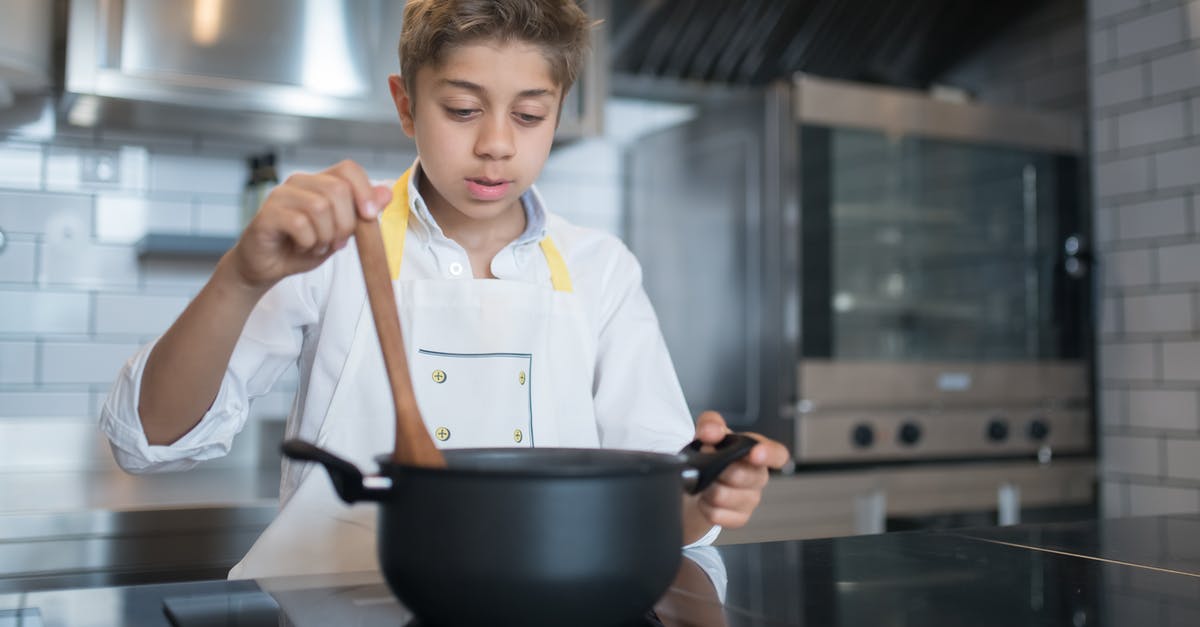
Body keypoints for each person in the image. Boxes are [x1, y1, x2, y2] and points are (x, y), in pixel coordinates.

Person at [100, 0, 790, 579]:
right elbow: (149, 440)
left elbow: (660, 504)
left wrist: (711, 494)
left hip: (541, 605)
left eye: (528, 115)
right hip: (332, 605)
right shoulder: (335, 246)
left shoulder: (600, 270)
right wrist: (242, 277)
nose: (496, 143)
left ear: (558, 112)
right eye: (462, 109)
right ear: (406, 104)